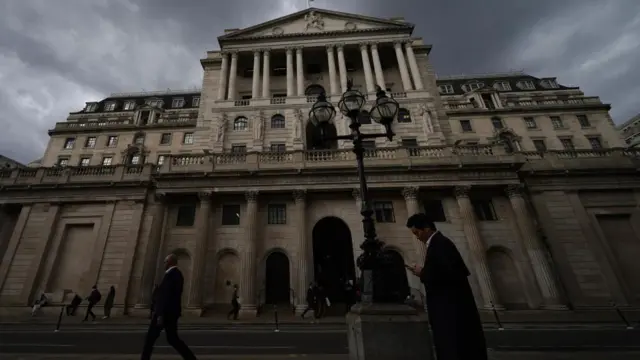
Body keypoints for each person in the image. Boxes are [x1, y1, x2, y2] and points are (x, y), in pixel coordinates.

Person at [406, 213, 488, 360]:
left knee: (454, 346)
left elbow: (447, 274)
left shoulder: (440, 243)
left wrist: (422, 273)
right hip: (450, 306)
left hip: (450, 308)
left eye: (416, 232)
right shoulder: (438, 243)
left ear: (426, 228)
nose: (417, 237)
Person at [141, 253, 197, 360]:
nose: (164, 263)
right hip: (169, 313)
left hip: (164, 313)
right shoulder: (175, 274)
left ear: (170, 262)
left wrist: (160, 314)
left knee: (150, 338)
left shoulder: (173, 274)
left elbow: (166, 296)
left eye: (165, 261)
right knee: (172, 339)